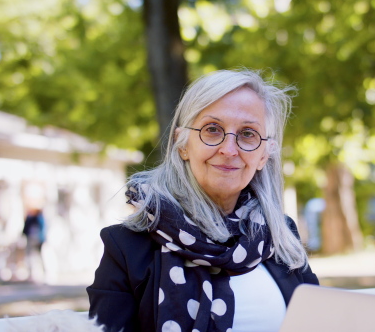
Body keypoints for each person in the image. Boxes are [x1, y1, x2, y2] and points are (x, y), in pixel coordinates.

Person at [87, 69, 319, 332]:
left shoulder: (279, 235)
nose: (229, 150)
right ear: (182, 144)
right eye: (212, 129)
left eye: (247, 134)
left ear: (264, 155)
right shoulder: (127, 247)